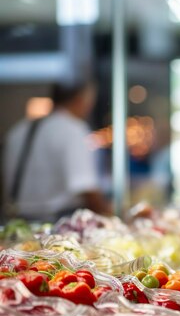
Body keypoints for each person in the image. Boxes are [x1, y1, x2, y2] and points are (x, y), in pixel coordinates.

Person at [3, 81, 111, 221]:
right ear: (80, 99)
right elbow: (85, 188)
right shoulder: (73, 130)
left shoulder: (19, 129)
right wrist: (111, 216)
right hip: (57, 225)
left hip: (16, 223)